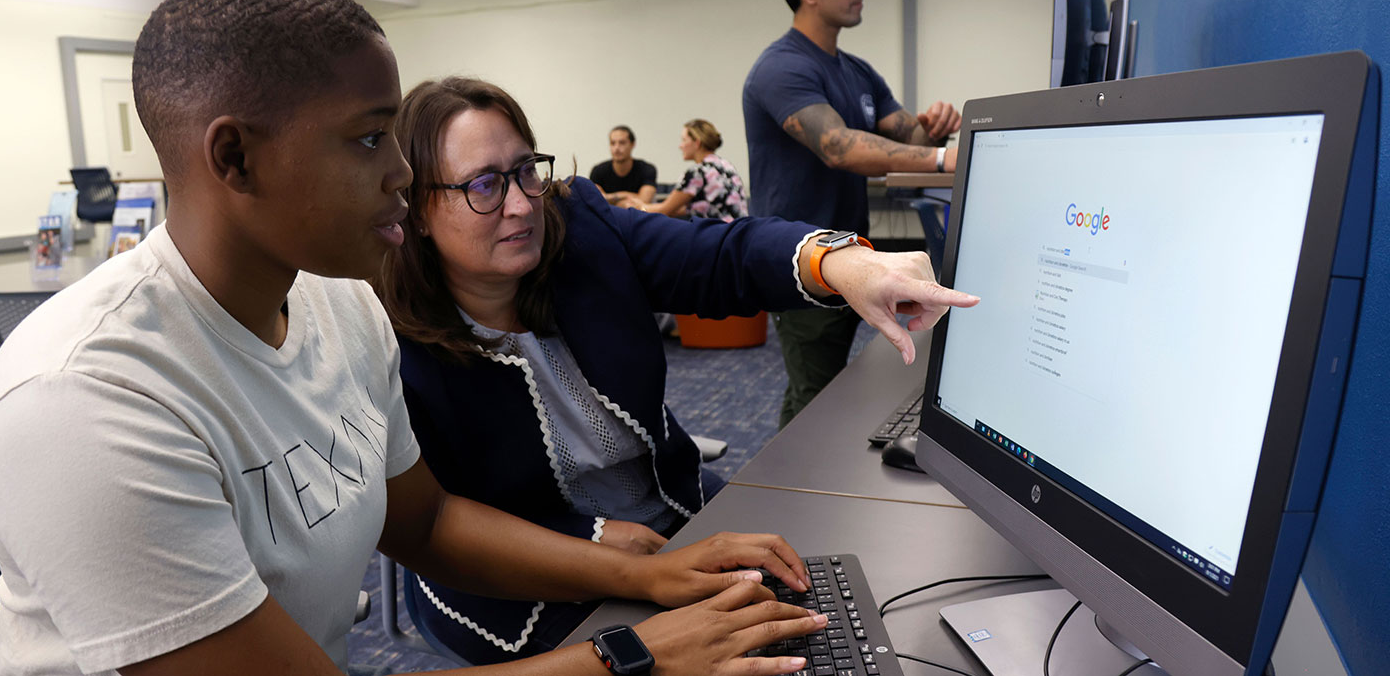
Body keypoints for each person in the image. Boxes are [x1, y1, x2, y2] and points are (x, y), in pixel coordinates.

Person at [0, 0, 844, 675]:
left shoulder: (340, 304)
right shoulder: (82, 402)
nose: (400, 177)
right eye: (370, 139)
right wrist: (632, 655)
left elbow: (422, 525)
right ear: (234, 156)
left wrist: (646, 573)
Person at [373, 76, 979, 665]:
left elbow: (721, 256)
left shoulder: (578, 225)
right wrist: (596, 539)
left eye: (526, 171)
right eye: (483, 185)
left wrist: (845, 265)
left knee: (819, 602)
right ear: (418, 210)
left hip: (670, 512)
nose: (519, 204)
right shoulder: (389, 340)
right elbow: (443, 515)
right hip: (519, 580)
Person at [744, 0, 965, 428]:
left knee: (820, 389)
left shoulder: (857, 71)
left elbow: (912, 140)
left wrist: (933, 128)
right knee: (815, 394)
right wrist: (944, 158)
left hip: (849, 254)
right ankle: (790, 492)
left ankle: (781, 479)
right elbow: (837, 146)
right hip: (799, 260)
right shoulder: (781, 67)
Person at [625, 119, 748, 221]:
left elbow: (664, 210)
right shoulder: (726, 166)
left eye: (684, 140)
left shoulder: (697, 173)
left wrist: (638, 206)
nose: (680, 145)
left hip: (718, 237)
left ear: (697, 143)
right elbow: (704, 206)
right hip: (738, 233)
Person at [588, 125, 658, 205]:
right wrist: (630, 198)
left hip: (638, 216)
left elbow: (644, 201)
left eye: (622, 143)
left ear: (632, 144)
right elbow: (594, 201)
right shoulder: (598, 171)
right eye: (613, 143)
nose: (617, 148)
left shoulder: (647, 169)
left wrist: (608, 197)